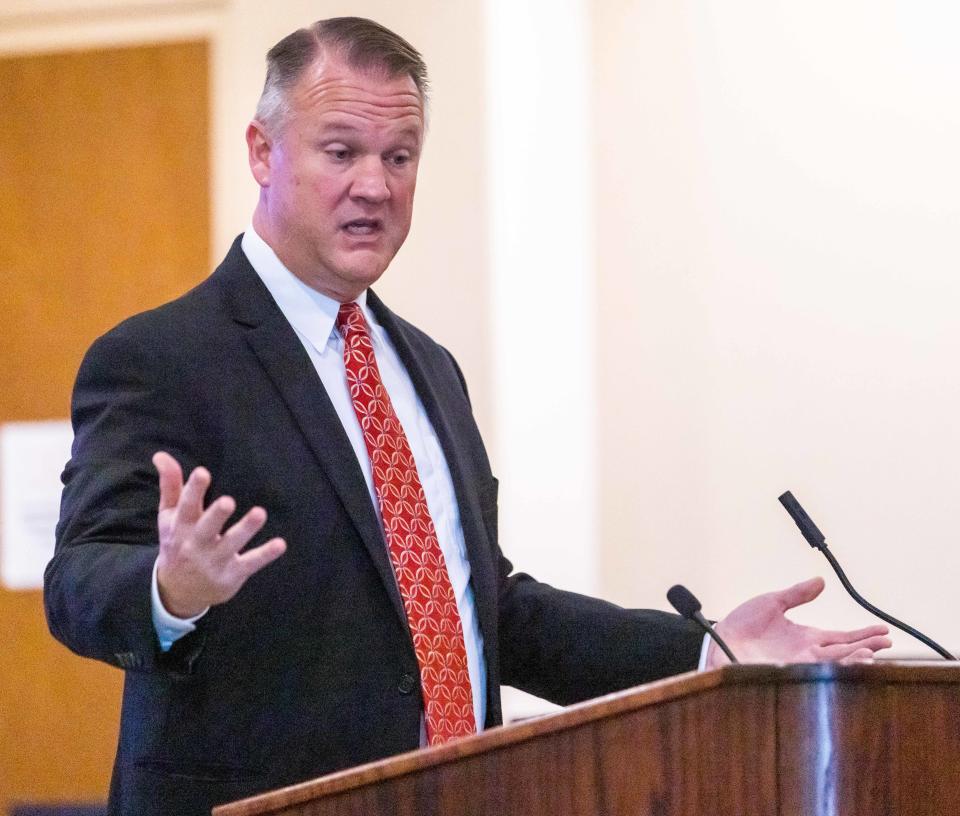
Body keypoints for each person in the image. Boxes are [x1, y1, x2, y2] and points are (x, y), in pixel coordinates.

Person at [44, 17, 890, 816]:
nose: (374, 185)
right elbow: (77, 581)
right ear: (263, 153)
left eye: (400, 156)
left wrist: (708, 652)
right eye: (341, 151)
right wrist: (168, 590)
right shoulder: (161, 357)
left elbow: (485, 609)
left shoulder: (428, 369)